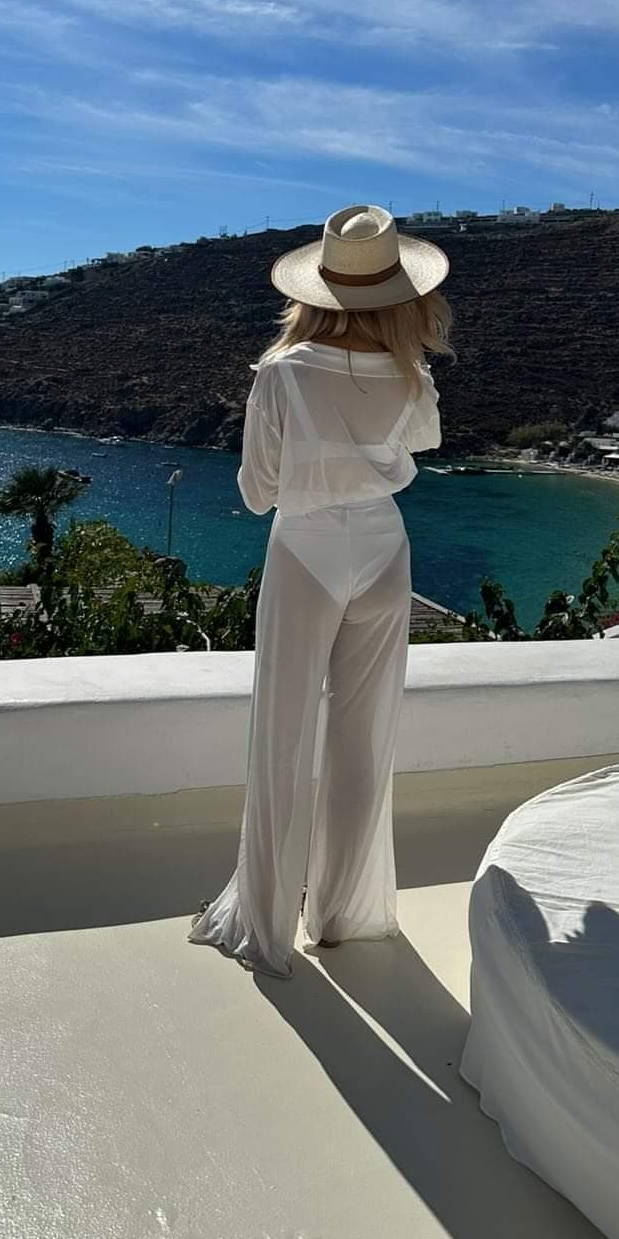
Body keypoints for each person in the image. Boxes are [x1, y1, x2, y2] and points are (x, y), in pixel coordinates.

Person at [189, 205, 453, 978]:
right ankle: (344, 913)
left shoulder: (282, 372)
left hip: (305, 550)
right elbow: (419, 445)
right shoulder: (412, 374)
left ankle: (265, 921)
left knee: (281, 736)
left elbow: (258, 494)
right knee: (363, 739)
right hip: (383, 551)